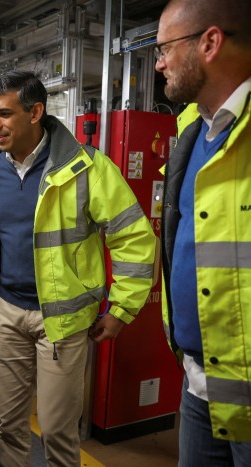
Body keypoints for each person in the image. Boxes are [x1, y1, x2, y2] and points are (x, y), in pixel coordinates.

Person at [0, 70, 157, 466]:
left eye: (3, 114)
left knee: (57, 431)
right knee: (9, 425)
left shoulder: (87, 168)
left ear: (35, 112)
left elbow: (134, 239)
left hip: (63, 321)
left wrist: (121, 310)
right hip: (6, 311)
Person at [154, 0, 251, 464]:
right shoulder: (193, 130)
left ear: (210, 43)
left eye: (165, 48)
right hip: (198, 381)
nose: (158, 63)